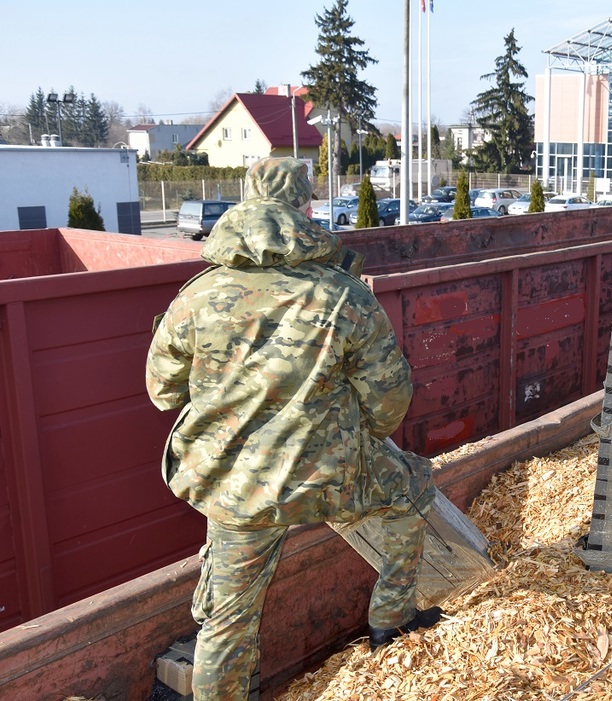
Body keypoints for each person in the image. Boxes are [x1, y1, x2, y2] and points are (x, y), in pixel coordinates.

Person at [146, 156, 442, 700]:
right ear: (307, 208)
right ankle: (391, 620)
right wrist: (364, 438)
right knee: (411, 489)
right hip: (330, 475)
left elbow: (162, 392)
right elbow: (389, 400)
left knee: (228, 623)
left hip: (237, 489)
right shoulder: (345, 295)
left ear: (242, 205)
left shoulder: (196, 295)